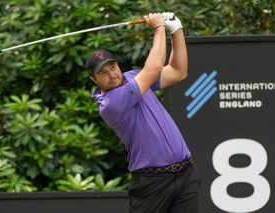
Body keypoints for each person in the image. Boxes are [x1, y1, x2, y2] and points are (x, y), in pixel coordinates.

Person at [86, 12, 200, 213]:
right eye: (103, 72)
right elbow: (155, 67)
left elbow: (178, 71)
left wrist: (176, 30)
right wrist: (159, 28)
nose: (112, 74)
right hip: (151, 183)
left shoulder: (132, 77)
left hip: (185, 173)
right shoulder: (110, 104)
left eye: (112, 66)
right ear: (94, 80)